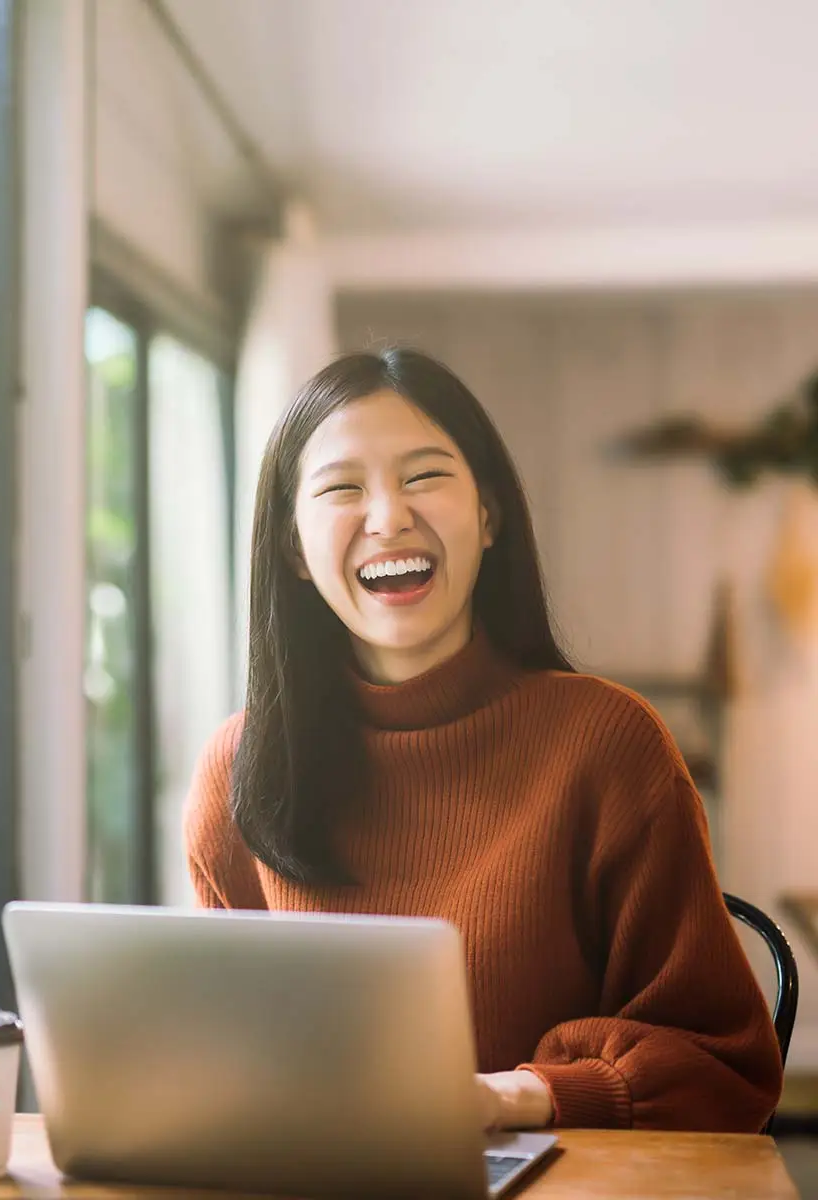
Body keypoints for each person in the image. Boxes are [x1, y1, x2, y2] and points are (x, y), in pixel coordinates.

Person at [184, 348, 783, 1134]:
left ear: (490, 515)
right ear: (295, 549)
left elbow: (726, 1067)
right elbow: (224, 1050)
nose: (388, 516)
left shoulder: (607, 743)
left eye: (425, 476)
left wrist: (514, 1096)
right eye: (341, 488)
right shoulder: (242, 768)